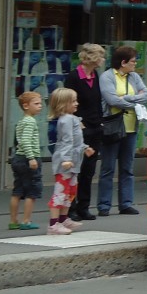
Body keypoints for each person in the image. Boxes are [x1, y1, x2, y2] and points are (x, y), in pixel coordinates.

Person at [98, 45, 147, 215]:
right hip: (113, 126)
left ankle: (126, 203)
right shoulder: (107, 77)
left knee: (127, 168)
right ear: (123, 62)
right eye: (133, 61)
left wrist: (127, 99)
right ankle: (104, 205)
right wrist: (135, 102)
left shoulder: (134, 76)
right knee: (108, 168)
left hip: (131, 128)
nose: (135, 64)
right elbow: (112, 100)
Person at [63, 42, 106, 220]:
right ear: (92, 58)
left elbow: (97, 102)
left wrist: (100, 123)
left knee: (89, 170)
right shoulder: (74, 77)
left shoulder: (95, 75)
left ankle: (84, 206)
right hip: (79, 127)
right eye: (101, 56)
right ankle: (70, 207)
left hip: (95, 127)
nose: (103, 59)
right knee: (76, 171)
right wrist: (78, 123)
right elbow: (67, 102)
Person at [47, 88, 94, 235]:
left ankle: (63, 219)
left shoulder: (72, 118)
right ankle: (54, 224)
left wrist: (85, 147)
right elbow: (67, 141)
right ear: (63, 104)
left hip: (74, 161)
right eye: (73, 101)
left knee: (71, 191)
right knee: (61, 191)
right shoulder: (66, 120)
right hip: (66, 161)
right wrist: (66, 159)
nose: (77, 103)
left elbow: (76, 140)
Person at [8, 92, 44, 231]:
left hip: (18, 158)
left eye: (40, 103)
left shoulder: (21, 121)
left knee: (17, 191)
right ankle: (26, 221)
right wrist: (31, 158)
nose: (40, 106)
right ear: (26, 106)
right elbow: (25, 141)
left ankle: (13, 221)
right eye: (36, 104)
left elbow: (19, 141)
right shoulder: (30, 121)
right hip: (28, 159)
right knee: (31, 192)